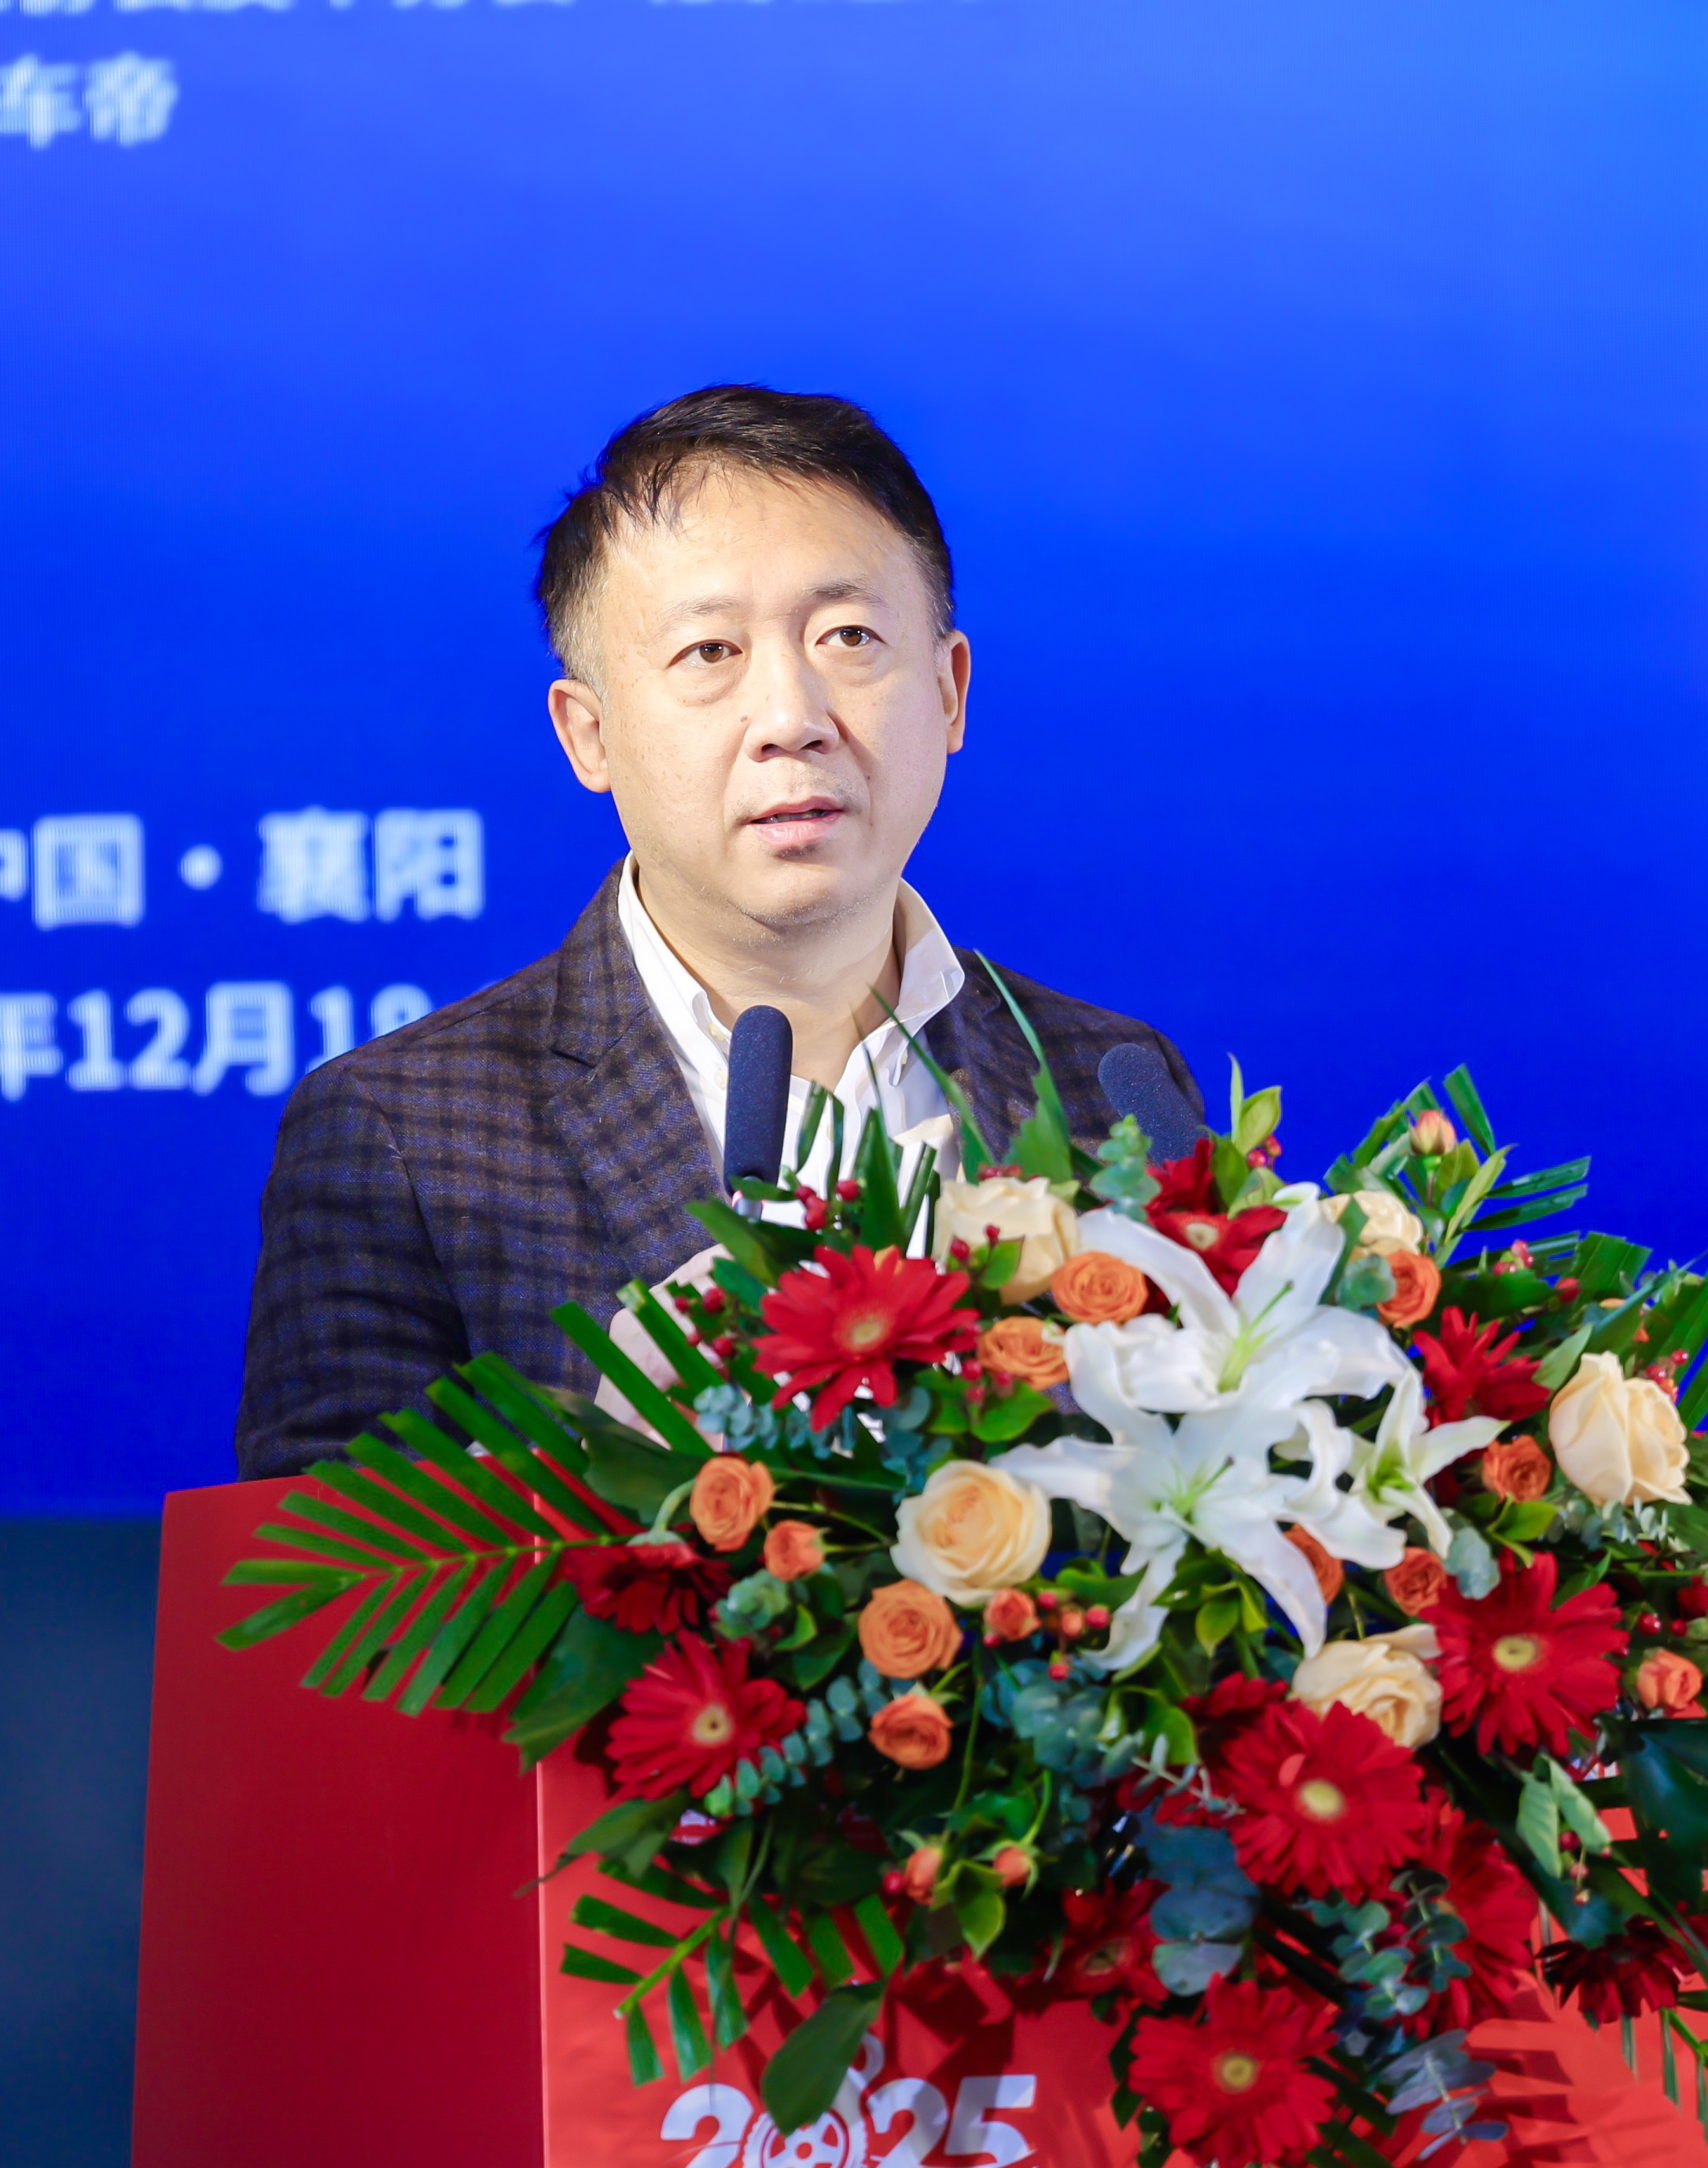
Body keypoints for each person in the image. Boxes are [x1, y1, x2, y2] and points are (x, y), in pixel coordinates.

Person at [234, 386, 1196, 1476]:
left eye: (848, 637)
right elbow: (336, 1573)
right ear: (589, 735)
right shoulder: (407, 1136)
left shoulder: (1112, 1085)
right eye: (709, 652)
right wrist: (612, 1480)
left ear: (950, 691)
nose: (791, 718)